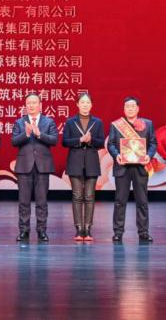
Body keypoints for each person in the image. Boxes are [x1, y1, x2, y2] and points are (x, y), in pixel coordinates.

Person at [107, 96, 157, 242]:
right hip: (122, 167)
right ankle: (118, 232)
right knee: (120, 201)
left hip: (140, 167)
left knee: (142, 201)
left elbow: (153, 143)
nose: (130, 109)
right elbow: (111, 144)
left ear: (138, 108)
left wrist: (148, 155)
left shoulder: (148, 124)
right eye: (127, 106)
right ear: (124, 109)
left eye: (133, 106)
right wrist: (116, 155)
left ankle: (143, 232)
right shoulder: (116, 125)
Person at [11, 93, 59, 242]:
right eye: (28, 103)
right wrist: (26, 134)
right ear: (25, 106)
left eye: (34, 103)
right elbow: (14, 141)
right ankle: (24, 231)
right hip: (24, 166)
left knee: (42, 202)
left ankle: (42, 231)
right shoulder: (20, 122)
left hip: (42, 166)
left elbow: (54, 140)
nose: (31, 105)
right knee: (23, 202)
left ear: (40, 105)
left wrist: (39, 134)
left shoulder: (48, 122)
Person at [62, 93, 105, 241]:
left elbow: (101, 142)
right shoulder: (70, 122)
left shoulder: (98, 122)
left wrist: (91, 141)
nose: (85, 105)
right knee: (77, 196)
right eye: (82, 102)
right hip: (75, 162)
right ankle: (79, 229)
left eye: (87, 102)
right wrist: (80, 140)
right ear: (77, 104)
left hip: (92, 162)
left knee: (89, 196)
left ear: (91, 105)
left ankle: (88, 228)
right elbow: (65, 141)